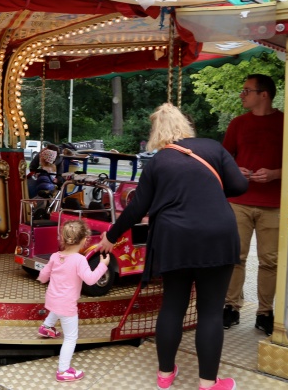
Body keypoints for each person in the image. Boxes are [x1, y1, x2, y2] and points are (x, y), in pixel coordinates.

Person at [98, 103, 248, 390]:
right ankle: (208, 383)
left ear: (157, 132)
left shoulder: (157, 162)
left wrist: (112, 235)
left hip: (174, 239)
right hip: (217, 235)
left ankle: (165, 375)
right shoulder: (213, 148)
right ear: (186, 125)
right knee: (211, 312)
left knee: (173, 306)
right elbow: (240, 185)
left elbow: (137, 207)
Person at [222, 74, 284, 336]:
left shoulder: (285, 122)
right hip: (240, 201)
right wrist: (237, 169)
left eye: (247, 90)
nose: (242, 95)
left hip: (274, 202)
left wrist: (274, 174)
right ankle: (231, 306)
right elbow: (223, 159)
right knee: (235, 256)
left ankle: (265, 312)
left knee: (270, 260)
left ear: (264, 94)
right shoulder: (238, 123)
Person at [38, 220, 110, 382]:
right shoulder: (79, 260)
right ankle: (63, 371)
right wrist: (103, 265)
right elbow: (90, 280)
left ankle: (46, 327)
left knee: (56, 309)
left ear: (62, 239)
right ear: (85, 240)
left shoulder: (55, 256)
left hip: (52, 298)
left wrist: (41, 279)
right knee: (71, 338)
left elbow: (44, 275)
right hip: (67, 305)